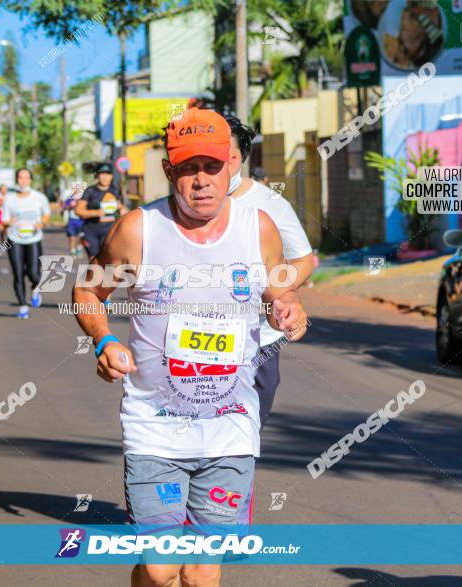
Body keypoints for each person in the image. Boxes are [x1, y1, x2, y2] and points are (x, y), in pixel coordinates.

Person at [73, 108, 307, 587]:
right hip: (155, 429)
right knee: (160, 571)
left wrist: (288, 308)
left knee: (201, 572)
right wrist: (105, 339)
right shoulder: (138, 231)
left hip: (231, 428)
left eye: (212, 167)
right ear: (168, 171)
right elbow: (87, 291)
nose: (201, 181)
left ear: (232, 168)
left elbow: (279, 288)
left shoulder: (257, 227)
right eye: (187, 168)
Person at [224, 114, 315, 429]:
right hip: (198, 334)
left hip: (259, 335)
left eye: (224, 154)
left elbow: (303, 260)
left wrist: (277, 295)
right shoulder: (181, 206)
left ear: (238, 157)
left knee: (251, 422)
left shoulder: (269, 203)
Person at [0, 168, 50, 319]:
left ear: (30, 180)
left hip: (33, 239)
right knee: (18, 273)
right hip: (14, 239)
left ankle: (36, 288)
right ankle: (22, 306)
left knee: (34, 273)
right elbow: (4, 220)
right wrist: (10, 222)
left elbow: (46, 214)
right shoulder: (10, 199)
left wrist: (41, 224)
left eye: (26, 178)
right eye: (21, 178)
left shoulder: (39, 197)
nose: (23, 181)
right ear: (17, 180)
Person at [74, 162, 127, 259]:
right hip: (91, 231)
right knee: (95, 261)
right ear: (97, 175)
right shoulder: (90, 191)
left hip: (110, 230)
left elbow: (122, 209)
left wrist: (122, 209)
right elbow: (78, 211)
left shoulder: (115, 191)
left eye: (108, 174)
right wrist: (97, 213)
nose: (105, 177)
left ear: (111, 176)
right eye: (102, 173)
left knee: (110, 260)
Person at [60, 181, 85, 256]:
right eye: (76, 188)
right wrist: (69, 206)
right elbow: (64, 206)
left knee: (81, 236)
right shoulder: (70, 199)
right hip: (72, 221)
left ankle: (79, 248)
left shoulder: (84, 199)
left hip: (82, 221)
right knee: (71, 236)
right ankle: (72, 250)